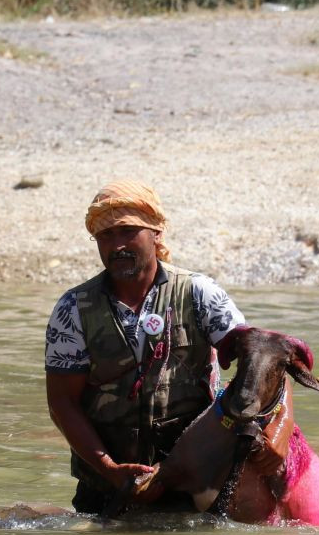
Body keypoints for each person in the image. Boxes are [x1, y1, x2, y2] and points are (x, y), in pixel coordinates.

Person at [45, 180, 245, 516]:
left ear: (156, 234)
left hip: (196, 484)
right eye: (106, 235)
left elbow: (261, 359)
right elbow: (62, 403)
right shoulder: (73, 309)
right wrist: (109, 469)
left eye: (128, 231)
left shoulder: (199, 294)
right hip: (105, 488)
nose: (118, 244)